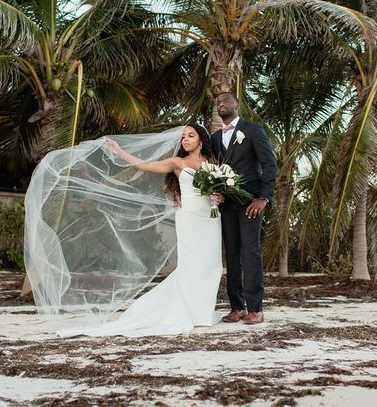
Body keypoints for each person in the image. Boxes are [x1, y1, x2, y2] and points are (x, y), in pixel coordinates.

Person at [60, 124, 224, 337]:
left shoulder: (213, 164)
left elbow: (221, 191)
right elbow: (144, 166)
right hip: (189, 218)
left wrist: (220, 197)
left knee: (211, 264)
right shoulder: (177, 162)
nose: (185, 139)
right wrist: (120, 152)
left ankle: (203, 311)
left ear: (201, 140)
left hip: (210, 219)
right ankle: (189, 311)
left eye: (190, 136)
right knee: (190, 263)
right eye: (183, 136)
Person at [211, 92, 277, 325]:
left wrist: (263, 198)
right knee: (232, 254)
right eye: (218, 102)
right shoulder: (215, 138)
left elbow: (269, 165)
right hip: (227, 204)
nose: (221, 104)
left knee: (250, 252)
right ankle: (237, 307)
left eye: (226, 100)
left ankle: (255, 309)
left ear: (237, 105)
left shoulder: (252, 130)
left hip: (251, 202)